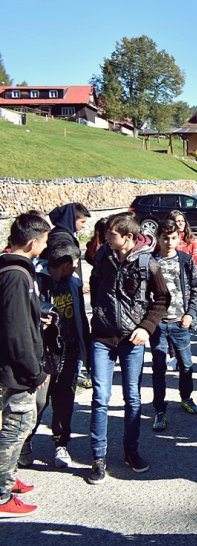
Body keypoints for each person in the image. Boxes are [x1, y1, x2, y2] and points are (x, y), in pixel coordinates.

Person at [87, 213, 170, 484]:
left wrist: (146, 327)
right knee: (100, 398)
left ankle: (131, 452)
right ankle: (98, 457)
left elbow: (162, 299)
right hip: (102, 338)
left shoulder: (148, 263)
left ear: (129, 237)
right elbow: (96, 284)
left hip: (132, 341)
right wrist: (99, 313)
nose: (106, 239)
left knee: (132, 398)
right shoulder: (103, 256)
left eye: (111, 235)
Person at [23, 240, 90, 471]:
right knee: (38, 402)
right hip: (43, 353)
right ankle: (25, 441)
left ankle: (61, 444)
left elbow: (81, 319)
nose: (77, 267)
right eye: (75, 263)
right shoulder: (36, 280)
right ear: (65, 264)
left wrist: (85, 350)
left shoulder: (73, 282)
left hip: (69, 352)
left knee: (65, 401)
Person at [0, 214, 50, 517]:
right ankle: (2, 492)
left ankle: (7, 476)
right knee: (16, 426)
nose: (45, 247)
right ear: (32, 243)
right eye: (44, 241)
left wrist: (37, 319)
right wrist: (35, 372)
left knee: (19, 424)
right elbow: (16, 330)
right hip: (17, 370)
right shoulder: (17, 276)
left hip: (15, 366)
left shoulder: (13, 270)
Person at [150, 220, 197, 432]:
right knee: (159, 367)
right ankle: (159, 409)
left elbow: (196, 289)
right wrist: (149, 321)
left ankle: (186, 397)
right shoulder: (151, 261)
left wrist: (190, 314)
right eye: (165, 238)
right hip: (158, 324)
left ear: (179, 238)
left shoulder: (185, 260)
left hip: (180, 323)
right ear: (158, 238)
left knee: (186, 364)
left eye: (174, 238)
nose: (169, 242)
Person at [166, 210, 197, 289]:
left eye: (183, 221)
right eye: (178, 221)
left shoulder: (190, 239)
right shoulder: (166, 239)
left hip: (186, 280)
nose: (181, 223)